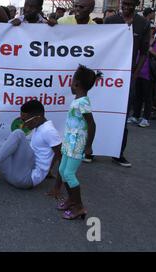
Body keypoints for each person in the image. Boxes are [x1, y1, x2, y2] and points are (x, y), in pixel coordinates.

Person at [105, 0, 151, 167]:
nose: (126, 7)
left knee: (121, 116)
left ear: (137, 5)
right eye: (124, 3)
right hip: (107, 76)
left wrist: (135, 74)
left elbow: (144, 52)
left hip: (128, 78)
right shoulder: (110, 21)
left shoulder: (143, 24)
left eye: (130, 5)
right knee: (99, 112)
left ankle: (118, 153)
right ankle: (92, 150)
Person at [51, 65, 99, 220]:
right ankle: (72, 200)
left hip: (77, 144)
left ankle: (79, 207)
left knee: (69, 174)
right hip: (69, 142)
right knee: (63, 171)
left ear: (77, 84)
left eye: (71, 82)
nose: (70, 85)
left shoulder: (83, 102)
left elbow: (91, 124)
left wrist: (89, 146)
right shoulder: (77, 100)